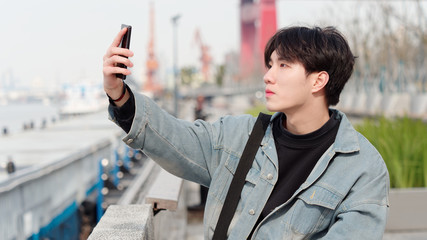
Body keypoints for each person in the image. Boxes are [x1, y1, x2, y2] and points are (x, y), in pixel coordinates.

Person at [103, 26, 389, 239]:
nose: (268, 75)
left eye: (284, 65)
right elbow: (173, 139)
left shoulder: (362, 168)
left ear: (318, 81)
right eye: (270, 64)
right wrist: (120, 96)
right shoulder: (238, 136)